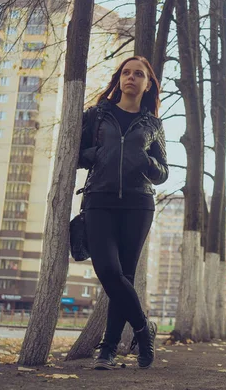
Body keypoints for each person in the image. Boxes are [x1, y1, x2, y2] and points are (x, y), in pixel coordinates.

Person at [77, 55, 169, 370]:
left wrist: (143, 159)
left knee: (125, 276)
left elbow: (163, 173)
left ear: (147, 84)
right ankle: (145, 329)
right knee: (108, 271)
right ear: (119, 79)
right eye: (126, 72)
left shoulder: (152, 124)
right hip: (99, 200)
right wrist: (100, 153)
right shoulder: (97, 115)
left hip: (138, 204)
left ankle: (107, 350)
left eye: (138, 74)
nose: (131, 77)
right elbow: (76, 154)